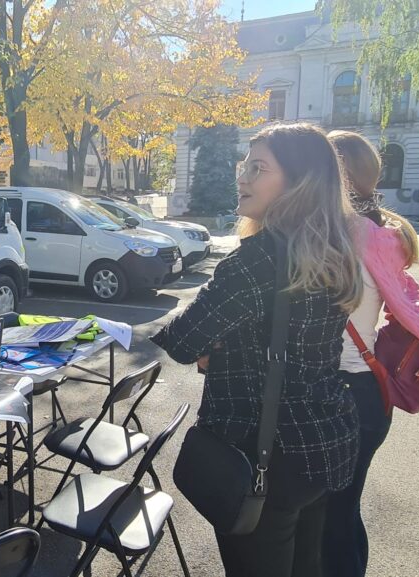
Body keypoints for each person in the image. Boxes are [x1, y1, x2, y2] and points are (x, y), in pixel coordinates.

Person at [150, 122, 362, 577]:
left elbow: (183, 342)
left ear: (300, 182)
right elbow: (293, 340)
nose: (242, 178)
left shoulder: (257, 259)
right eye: (244, 166)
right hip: (322, 444)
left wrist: (215, 347)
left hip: (265, 457)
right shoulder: (334, 249)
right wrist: (226, 345)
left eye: (259, 168)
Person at [323, 131, 419, 577]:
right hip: (369, 394)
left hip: (341, 394)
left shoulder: (338, 239)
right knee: (343, 512)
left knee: (330, 522)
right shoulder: (379, 238)